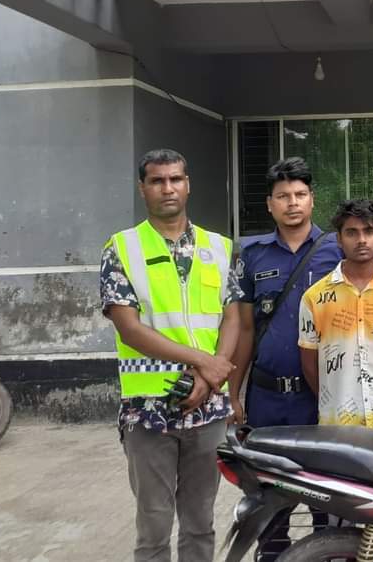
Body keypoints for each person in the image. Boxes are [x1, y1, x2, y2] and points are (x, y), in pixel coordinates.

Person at [100, 148, 243, 562]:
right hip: (148, 410)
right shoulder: (121, 248)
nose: (168, 188)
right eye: (157, 180)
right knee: (154, 526)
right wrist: (206, 362)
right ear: (142, 188)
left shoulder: (220, 247)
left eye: (175, 179)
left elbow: (232, 318)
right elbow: (129, 328)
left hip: (207, 408)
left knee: (200, 523)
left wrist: (210, 376)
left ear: (188, 185)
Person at [230, 157, 342, 561]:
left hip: (321, 396)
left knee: (329, 496)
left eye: (300, 194)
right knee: (269, 499)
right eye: (283, 196)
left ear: (312, 199)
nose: (292, 203)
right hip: (268, 400)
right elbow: (244, 329)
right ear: (269, 204)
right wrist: (233, 393)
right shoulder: (251, 254)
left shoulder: (336, 249)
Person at [298, 199, 373, 433]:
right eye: (351, 232)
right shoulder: (315, 297)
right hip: (336, 425)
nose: (361, 240)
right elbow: (309, 365)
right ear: (339, 239)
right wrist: (336, 397)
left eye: (368, 231)